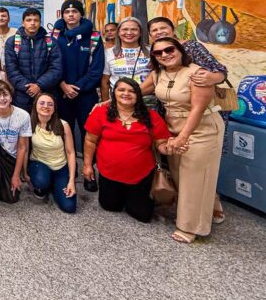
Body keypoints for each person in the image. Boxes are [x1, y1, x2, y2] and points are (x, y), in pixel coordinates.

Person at [148, 38, 225, 243]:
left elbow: (198, 109)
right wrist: (108, 102)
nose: (165, 55)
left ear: (180, 50)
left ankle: (190, 228)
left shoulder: (197, 73)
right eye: (158, 53)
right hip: (173, 129)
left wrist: (183, 137)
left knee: (194, 178)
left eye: (169, 49)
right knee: (180, 176)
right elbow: (135, 90)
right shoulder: (157, 74)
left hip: (202, 129)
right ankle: (212, 207)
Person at [83, 77, 171, 223]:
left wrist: (169, 148)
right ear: (114, 93)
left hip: (141, 176)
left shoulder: (151, 116)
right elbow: (90, 141)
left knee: (142, 215)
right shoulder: (101, 113)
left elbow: (161, 143)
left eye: (132, 91)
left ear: (138, 95)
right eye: (121, 90)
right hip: (109, 173)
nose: (126, 94)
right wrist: (87, 166)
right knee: (110, 206)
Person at [52, 0, 104, 165]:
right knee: (64, 132)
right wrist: (62, 85)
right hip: (61, 93)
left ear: (81, 14)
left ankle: (89, 169)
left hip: (86, 94)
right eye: (67, 12)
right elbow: (51, 65)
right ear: (62, 15)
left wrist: (76, 87)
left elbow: (96, 69)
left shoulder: (94, 37)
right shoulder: (54, 36)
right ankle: (68, 168)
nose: (71, 15)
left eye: (74, 11)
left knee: (89, 132)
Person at [15, 93, 76, 213]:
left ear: (54, 108)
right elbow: (25, 150)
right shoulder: (29, 124)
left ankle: (54, 184)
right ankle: (44, 185)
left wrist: (71, 181)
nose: (46, 106)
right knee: (41, 182)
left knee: (69, 207)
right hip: (39, 163)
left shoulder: (63, 125)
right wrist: (24, 173)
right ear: (35, 106)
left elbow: (71, 153)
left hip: (60, 167)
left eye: (50, 104)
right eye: (42, 103)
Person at [4, 8, 62, 113]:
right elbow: (11, 70)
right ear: (23, 23)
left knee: (46, 123)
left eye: (36, 20)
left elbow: (56, 69)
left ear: (40, 22)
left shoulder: (50, 41)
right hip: (21, 97)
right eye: (29, 20)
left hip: (46, 94)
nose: (32, 23)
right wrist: (29, 88)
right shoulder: (12, 42)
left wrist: (39, 85)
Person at [101, 17, 151, 101]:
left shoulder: (152, 51)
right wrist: (106, 104)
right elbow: (105, 82)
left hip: (147, 100)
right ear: (118, 32)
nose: (129, 33)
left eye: (134, 29)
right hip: (119, 101)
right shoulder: (108, 53)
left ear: (140, 33)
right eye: (125, 29)